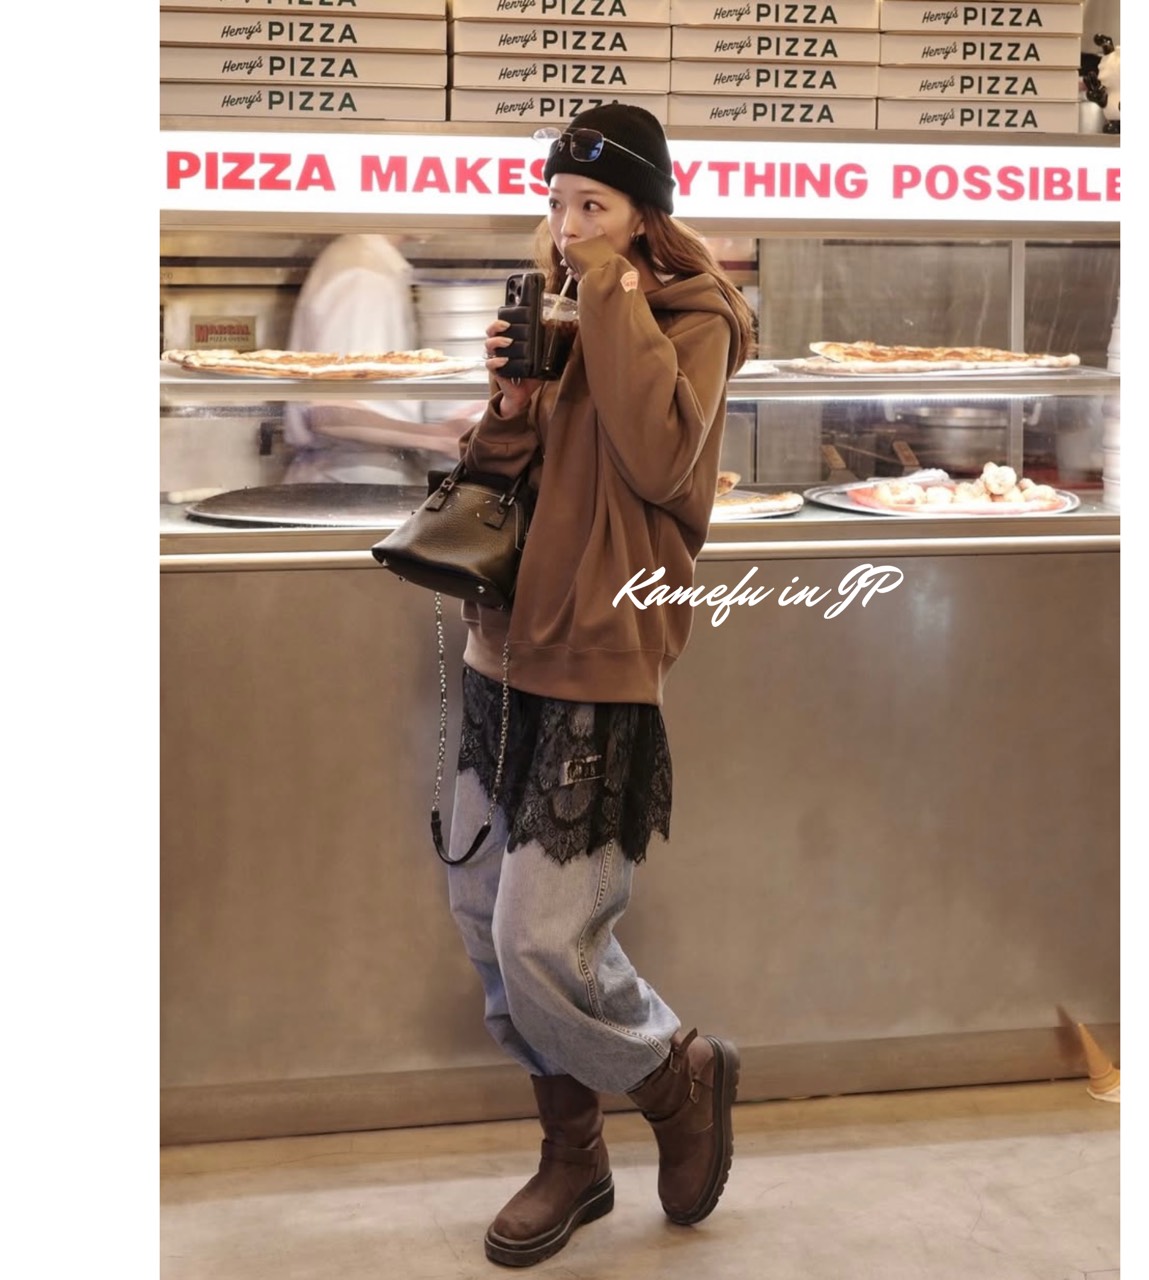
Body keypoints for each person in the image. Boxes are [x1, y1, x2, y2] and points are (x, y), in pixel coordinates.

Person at [444, 104, 756, 1268]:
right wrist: (511, 406)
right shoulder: (555, 305)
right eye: (557, 202)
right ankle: (570, 1152)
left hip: (599, 648)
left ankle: (673, 1071)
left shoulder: (689, 313)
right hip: (500, 644)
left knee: (542, 937)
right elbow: (496, 480)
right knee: (484, 922)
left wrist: (612, 293)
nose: (567, 224)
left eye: (594, 205)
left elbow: (663, 460)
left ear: (641, 213)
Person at [282, 233, 478, 483]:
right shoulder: (364, 275)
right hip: (349, 483)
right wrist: (439, 438)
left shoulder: (370, 263)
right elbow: (330, 412)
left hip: (360, 481)